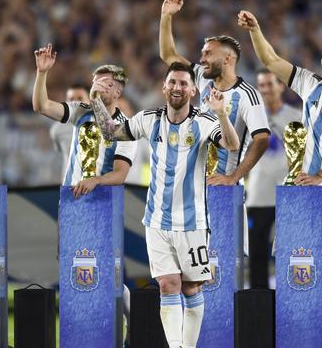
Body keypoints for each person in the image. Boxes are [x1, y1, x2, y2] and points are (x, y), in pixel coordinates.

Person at [89, 62, 239, 348]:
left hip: (193, 223)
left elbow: (231, 145)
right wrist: (96, 100)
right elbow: (110, 132)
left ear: (193, 89)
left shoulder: (204, 121)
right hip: (156, 220)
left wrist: (221, 113)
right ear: (164, 87)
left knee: (192, 286)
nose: (177, 88)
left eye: (183, 83)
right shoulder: (149, 118)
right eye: (172, 82)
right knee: (167, 285)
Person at [238, 10, 322, 289]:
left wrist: (319, 176)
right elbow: (271, 60)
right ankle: (296, 327)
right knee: (296, 262)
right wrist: (255, 30)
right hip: (300, 192)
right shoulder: (309, 84)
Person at [33, 45, 137, 346]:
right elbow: (42, 106)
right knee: (74, 269)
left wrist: (95, 180)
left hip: (102, 206)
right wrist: (42, 74)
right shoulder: (80, 112)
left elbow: (119, 175)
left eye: (105, 83)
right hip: (72, 205)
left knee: (105, 272)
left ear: (117, 93)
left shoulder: (125, 128)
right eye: (95, 81)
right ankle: (81, 334)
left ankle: (130, 324)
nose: (96, 86)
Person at [159, 0, 269, 187]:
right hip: (197, 185)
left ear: (228, 59)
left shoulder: (247, 95)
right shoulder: (202, 78)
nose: (202, 60)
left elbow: (261, 140)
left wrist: (234, 177)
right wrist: (166, 15)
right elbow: (168, 54)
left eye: (208, 54)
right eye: (202, 54)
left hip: (224, 187)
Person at [247, 69, 301, 289]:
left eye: (270, 84)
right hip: (258, 195)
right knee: (257, 254)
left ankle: (288, 296)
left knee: (289, 251)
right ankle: (258, 305)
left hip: (287, 196)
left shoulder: (296, 117)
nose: (266, 90)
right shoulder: (250, 117)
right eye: (261, 86)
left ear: (281, 86)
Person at [49, 84, 89, 178]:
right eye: (71, 99)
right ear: (66, 102)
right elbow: (61, 153)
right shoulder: (56, 130)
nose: (75, 102)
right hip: (70, 185)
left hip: (97, 184)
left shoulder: (101, 124)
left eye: (80, 98)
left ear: (89, 101)